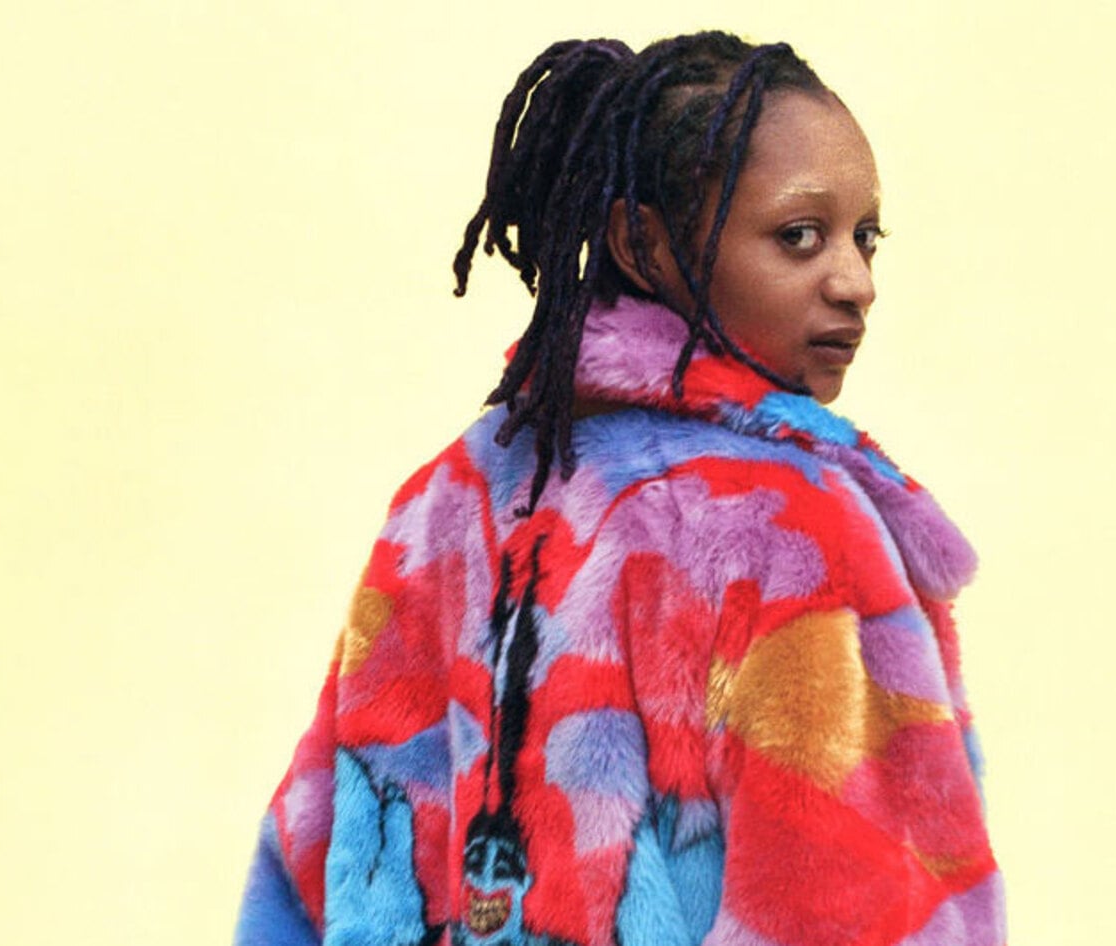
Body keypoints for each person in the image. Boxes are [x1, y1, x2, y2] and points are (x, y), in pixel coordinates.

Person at [234, 30, 1005, 946]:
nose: (856, 281)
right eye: (799, 236)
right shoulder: (789, 532)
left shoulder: (447, 504)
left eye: (865, 237)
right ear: (642, 242)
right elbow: (851, 906)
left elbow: (315, 857)